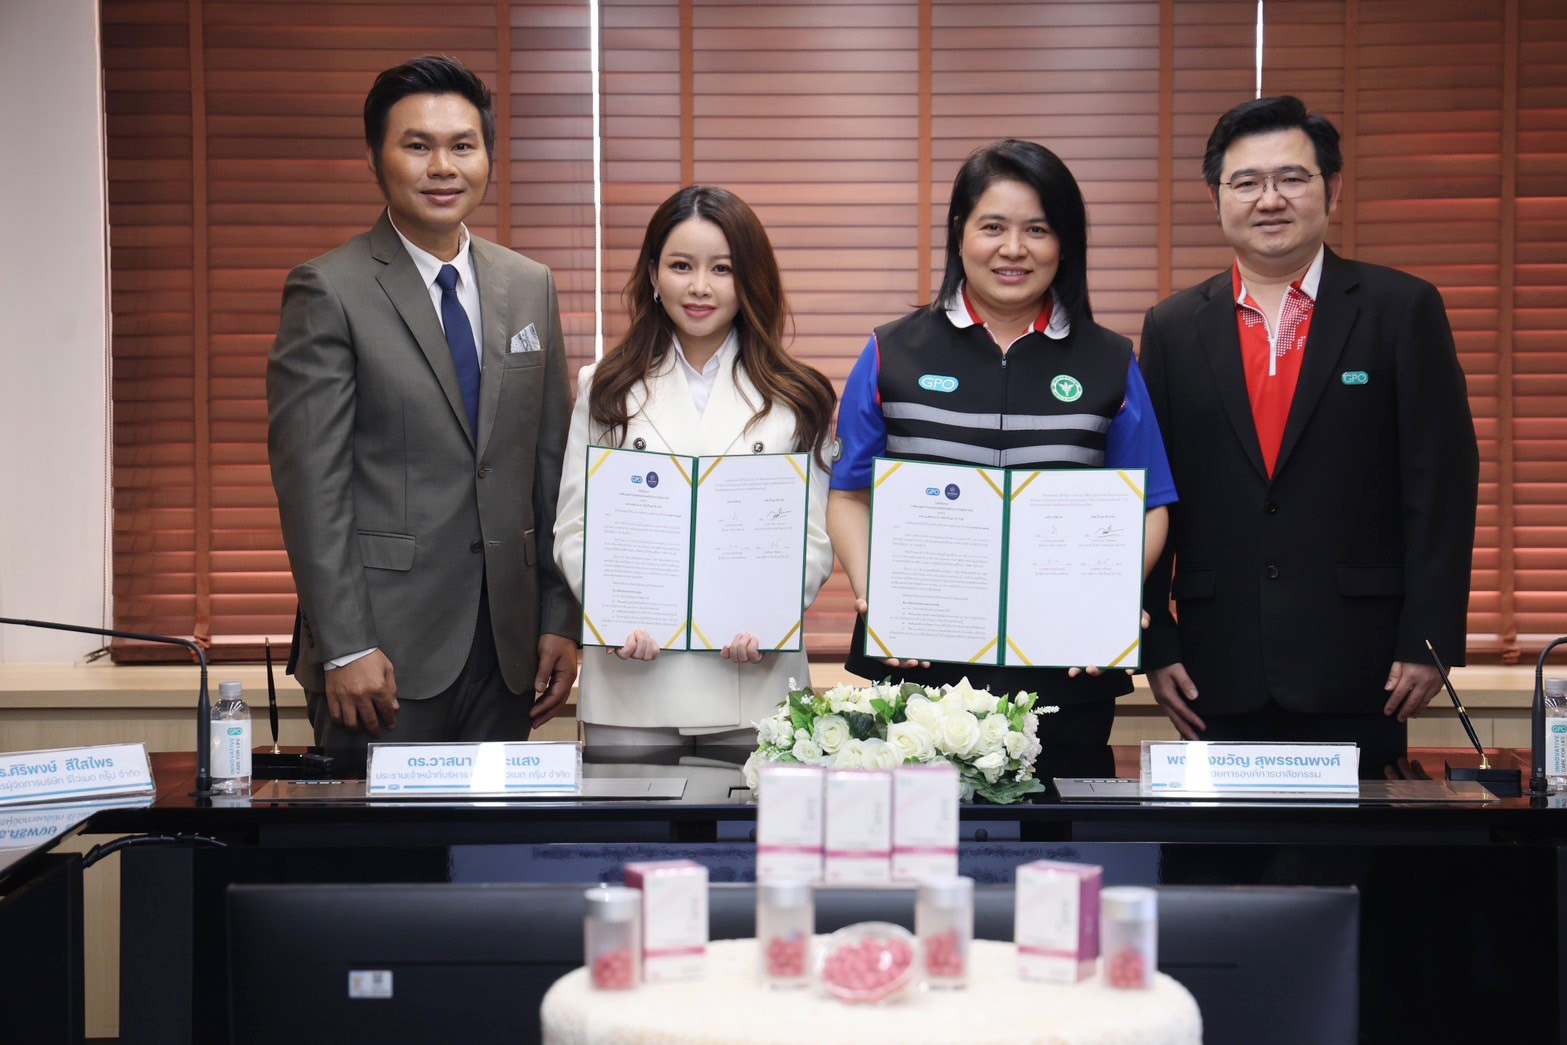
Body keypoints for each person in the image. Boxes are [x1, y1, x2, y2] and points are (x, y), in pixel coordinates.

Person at [1138, 96, 1479, 773]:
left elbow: (1440, 482)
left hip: (1363, 662)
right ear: (1216, 198)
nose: (1270, 199)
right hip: (1213, 663)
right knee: (1217, 842)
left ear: (1333, 188)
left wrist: (1429, 638)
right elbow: (1148, 490)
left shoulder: (1400, 309)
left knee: (1357, 841)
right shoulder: (1172, 327)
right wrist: (1155, 641)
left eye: (1291, 178)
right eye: (1246, 182)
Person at [267, 55, 580, 761]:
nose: (443, 167)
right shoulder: (329, 290)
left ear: (487, 157)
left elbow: (551, 468)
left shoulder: (530, 284)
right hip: (382, 654)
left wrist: (560, 618)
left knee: (493, 835)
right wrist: (345, 643)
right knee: (377, 835)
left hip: (508, 649)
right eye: (417, 145)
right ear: (375, 158)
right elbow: (311, 486)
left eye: (462, 146)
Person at [827, 140, 1177, 758]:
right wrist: (876, 592)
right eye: (993, 227)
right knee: (925, 819)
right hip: (919, 658)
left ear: (1064, 243)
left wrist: (1111, 598)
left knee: (1065, 815)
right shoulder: (891, 351)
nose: (1014, 249)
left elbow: (1149, 504)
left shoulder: (1110, 361)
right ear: (959, 232)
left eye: (1037, 229)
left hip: (1066, 664)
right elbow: (850, 494)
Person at [553, 186, 837, 747]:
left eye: (722, 269)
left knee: (752, 809)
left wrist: (767, 616)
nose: (700, 286)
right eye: (681, 266)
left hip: (755, 676)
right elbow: (574, 527)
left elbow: (813, 540)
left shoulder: (799, 396)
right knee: (627, 810)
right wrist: (614, 614)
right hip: (632, 674)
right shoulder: (604, 386)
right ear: (653, 275)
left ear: (750, 279)